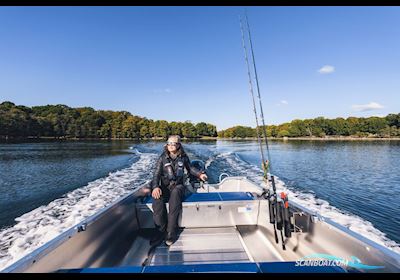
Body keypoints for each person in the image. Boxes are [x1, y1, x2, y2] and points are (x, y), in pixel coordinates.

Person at [150, 135, 207, 246]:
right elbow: (156, 175)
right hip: (165, 187)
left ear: (178, 145)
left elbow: (190, 169)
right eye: (169, 143)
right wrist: (156, 187)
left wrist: (200, 174)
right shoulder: (162, 158)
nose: (170, 145)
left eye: (173, 143)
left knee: (175, 194)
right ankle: (160, 231)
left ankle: (171, 232)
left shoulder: (183, 157)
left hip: (179, 187)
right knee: (157, 199)